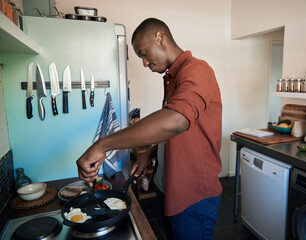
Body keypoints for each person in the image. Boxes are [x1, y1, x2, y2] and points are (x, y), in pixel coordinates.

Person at [76, 18, 223, 240]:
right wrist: (151, 153)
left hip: (193, 196)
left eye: (144, 54)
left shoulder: (198, 70)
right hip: (168, 186)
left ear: (160, 38)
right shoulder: (172, 77)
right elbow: (180, 132)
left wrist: (103, 144)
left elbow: (176, 121)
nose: (144, 63)